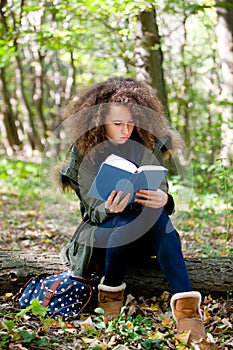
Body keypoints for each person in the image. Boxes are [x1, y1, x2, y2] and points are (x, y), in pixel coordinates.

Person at [58, 77, 207, 345]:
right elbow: (90, 212)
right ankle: (111, 294)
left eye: (130, 123)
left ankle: (188, 314)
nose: (126, 129)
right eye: (117, 124)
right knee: (127, 216)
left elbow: (159, 187)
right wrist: (108, 207)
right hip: (104, 238)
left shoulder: (146, 143)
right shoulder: (83, 152)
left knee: (157, 216)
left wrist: (164, 198)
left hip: (145, 234)